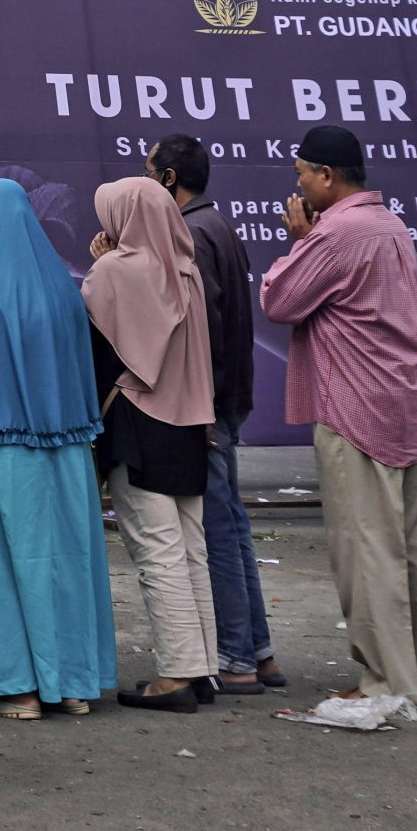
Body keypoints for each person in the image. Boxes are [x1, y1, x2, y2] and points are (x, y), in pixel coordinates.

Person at [260, 124, 417, 711]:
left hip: (355, 408)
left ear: (327, 176)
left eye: (302, 173)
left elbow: (278, 301)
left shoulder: (336, 232)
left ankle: (388, 682)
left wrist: (300, 242)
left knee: (366, 550)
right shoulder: (390, 224)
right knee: (411, 548)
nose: (297, 185)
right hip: (402, 401)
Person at [0, 178, 117, 719]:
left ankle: (12, 687)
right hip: (64, 448)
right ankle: (71, 683)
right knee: (64, 559)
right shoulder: (61, 290)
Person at [148, 134, 283, 695]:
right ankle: (258, 652)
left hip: (206, 406)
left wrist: (199, 405)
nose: (146, 180)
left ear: (169, 178)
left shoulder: (191, 233)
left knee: (217, 530)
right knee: (231, 524)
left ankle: (236, 658)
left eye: (150, 171)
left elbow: (201, 329)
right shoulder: (216, 225)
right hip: (223, 400)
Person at [83, 177, 218, 713]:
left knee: (157, 554)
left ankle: (176, 675)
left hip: (138, 423)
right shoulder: (187, 271)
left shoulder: (113, 272)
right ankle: (202, 668)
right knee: (190, 549)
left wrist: (105, 265)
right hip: (189, 424)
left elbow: (99, 347)